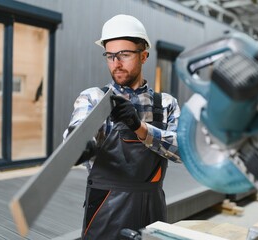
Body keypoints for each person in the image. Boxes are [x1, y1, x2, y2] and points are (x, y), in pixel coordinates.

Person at [63, 14, 181, 239]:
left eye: (124, 54)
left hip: (152, 207)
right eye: (110, 55)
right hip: (106, 207)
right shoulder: (94, 98)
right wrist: (79, 144)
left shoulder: (166, 104)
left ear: (144, 56)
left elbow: (183, 152)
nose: (116, 62)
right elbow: (75, 132)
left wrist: (140, 128)